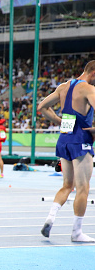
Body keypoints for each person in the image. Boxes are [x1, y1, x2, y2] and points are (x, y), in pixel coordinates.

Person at [37, 60, 95, 243]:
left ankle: (50, 218)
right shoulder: (88, 89)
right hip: (81, 140)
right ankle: (76, 232)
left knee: (67, 185)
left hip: (64, 138)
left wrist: (58, 121)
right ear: (93, 73)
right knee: (83, 188)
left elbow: (41, 107)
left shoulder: (63, 87)